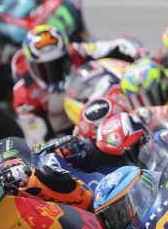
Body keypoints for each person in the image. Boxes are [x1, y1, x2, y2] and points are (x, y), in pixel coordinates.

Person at [11, 24, 147, 143]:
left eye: (58, 64)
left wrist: (141, 55)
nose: (53, 73)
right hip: (64, 136)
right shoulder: (24, 96)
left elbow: (118, 44)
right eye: (43, 68)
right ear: (30, 65)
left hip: (97, 111)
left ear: (66, 54)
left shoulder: (77, 51)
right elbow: (37, 140)